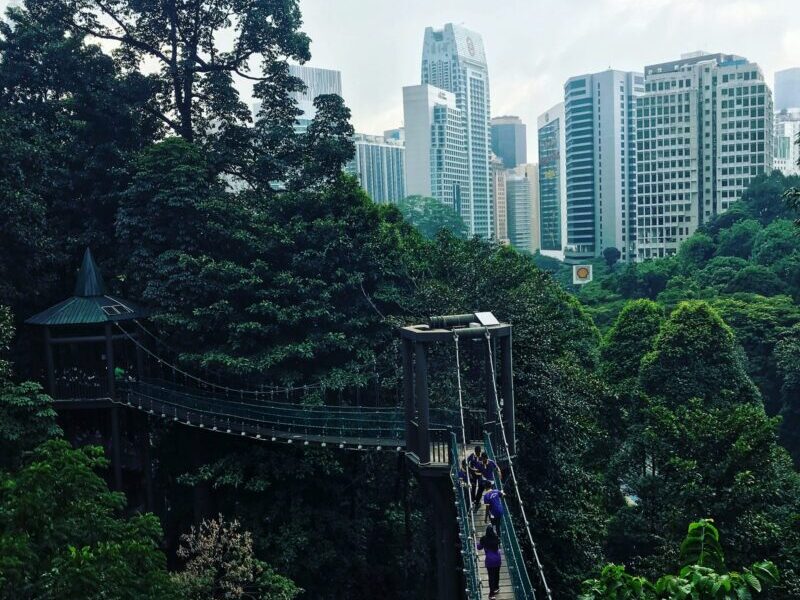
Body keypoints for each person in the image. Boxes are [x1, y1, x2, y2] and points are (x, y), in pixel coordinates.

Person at [477, 524, 502, 599]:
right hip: (498, 559)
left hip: (490, 561)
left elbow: (479, 547)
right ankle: (496, 588)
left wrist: (476, 543)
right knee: (497, 574)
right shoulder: (496, 538)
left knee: (491, 577)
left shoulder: (484, 539)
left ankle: (491, 594)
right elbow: (498, 544)